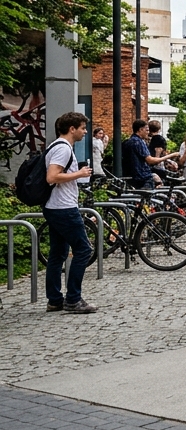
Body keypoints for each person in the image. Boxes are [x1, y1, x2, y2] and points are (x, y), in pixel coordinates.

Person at [43, 111, 97, 313]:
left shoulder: (56, 146)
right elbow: (52, 177)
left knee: (58, 254)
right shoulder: (63, 148)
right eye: (82, 128)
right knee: (84, 249)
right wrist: (80, 173)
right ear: (72, 129)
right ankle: (73, 299)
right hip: (64, 208)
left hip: (55, 206)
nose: (85, 132)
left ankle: (55, 300)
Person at [121, 119, 166, 190]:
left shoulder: (127, 142)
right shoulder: (139, 142)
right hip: (142, 177)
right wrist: (170, 156)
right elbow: (150, 160)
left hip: (132, 176)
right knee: (145, 198)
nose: (148, 133)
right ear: (140, 130)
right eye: (147, 130)